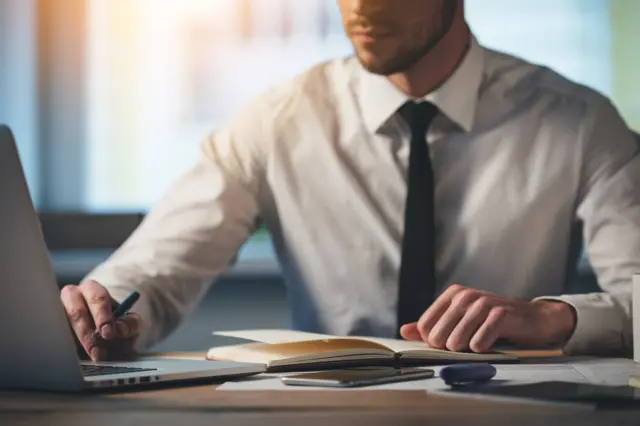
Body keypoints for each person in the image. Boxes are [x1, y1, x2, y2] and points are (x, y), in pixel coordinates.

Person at [60, 0, 639, 362]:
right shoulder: (276, 122)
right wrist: (103, 308)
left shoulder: (580, 122)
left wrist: (552, 317)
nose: (360, 8)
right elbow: (155, 272)